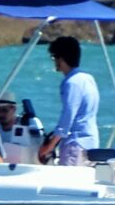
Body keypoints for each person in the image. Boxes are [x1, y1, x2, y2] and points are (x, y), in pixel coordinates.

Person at [38, 36, 99, 166]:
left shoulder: (71, 83)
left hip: (75, 145)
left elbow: (67, 118)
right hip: (91, 143)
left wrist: (49, 146)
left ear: (61, 59)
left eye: (54, 58)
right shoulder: (88, 78)